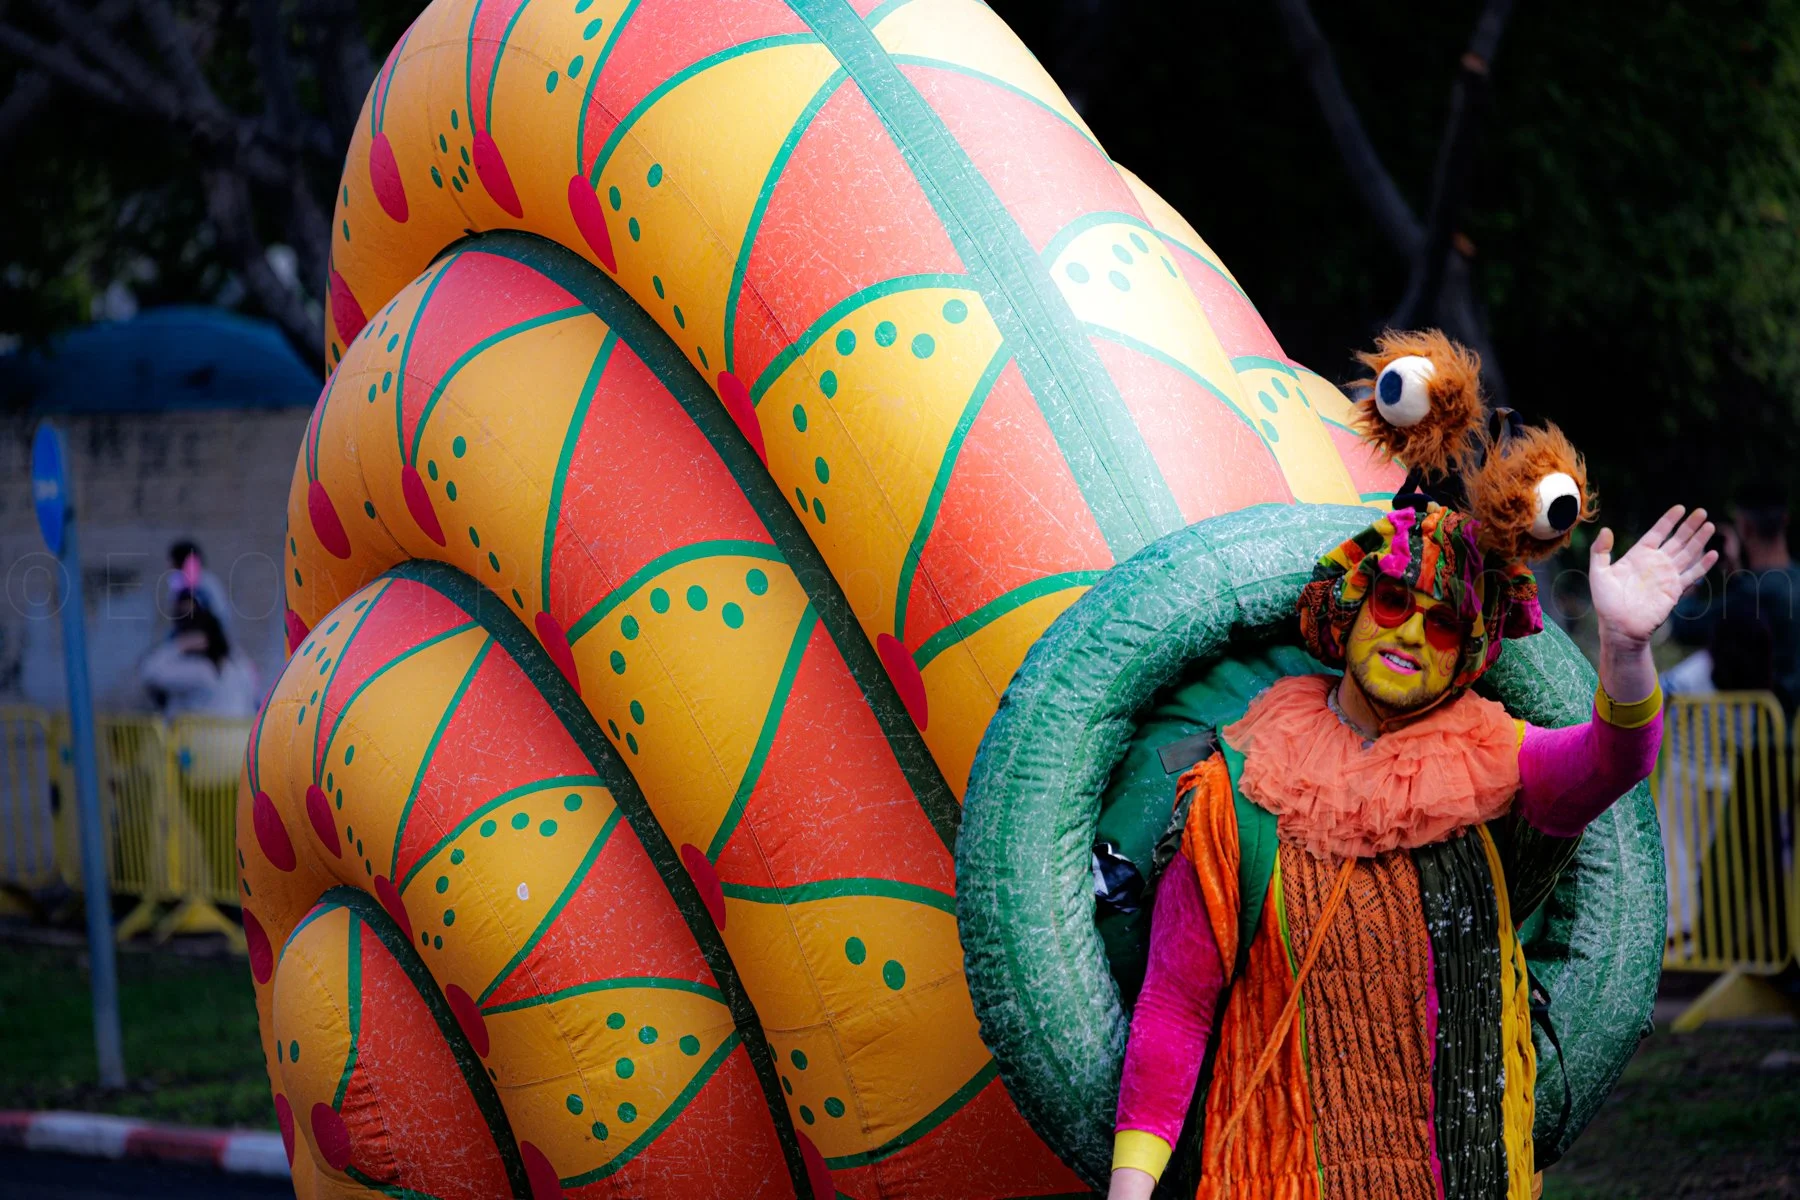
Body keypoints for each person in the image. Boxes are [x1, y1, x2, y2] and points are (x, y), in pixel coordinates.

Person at [1107, 331, 1715, 1200]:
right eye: (1394, 601)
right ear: (1353, 607)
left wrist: (1625, 648)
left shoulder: (1493, 762)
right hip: (1279, 1174)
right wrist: (1131, 1191)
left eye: (1442, 623)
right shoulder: (1239, 783)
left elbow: (1609, 763)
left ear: (1469, 653)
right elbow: (1177, 1003)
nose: (1410, 633)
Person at [1722, 485, 1800, 712]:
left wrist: (1692, 574)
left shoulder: (1748, 594)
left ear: (1745, 527)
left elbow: (1687, 627)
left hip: (1768, 727)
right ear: (1785, 520)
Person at [140, 589, 259, 720]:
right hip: (239, 732)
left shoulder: (199, 670)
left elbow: (149, 672)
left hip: (199, 733)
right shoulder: (240, 667)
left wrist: (180, 644)